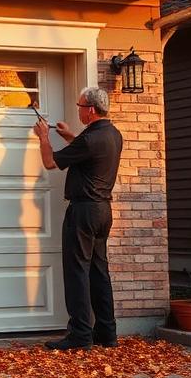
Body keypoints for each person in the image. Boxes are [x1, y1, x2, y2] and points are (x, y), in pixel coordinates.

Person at [32, 87, 123, 351]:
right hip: (103, 211)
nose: (79, 110)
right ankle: (107, 333)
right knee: (98, 271)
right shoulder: (112, 135)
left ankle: (80, 335)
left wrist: (43, 138)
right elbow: (88, 154)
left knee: (77, 272)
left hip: (82, 212)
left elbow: (50, 163)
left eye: (80, 106)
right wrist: (69, 135)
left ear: (91, 110)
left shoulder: (91, 138)